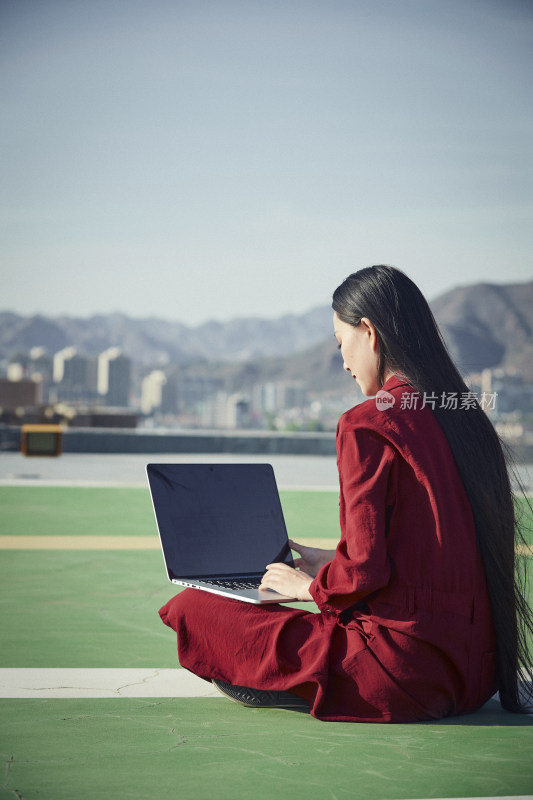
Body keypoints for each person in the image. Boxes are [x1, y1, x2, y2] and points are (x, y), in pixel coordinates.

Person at [159, 264, 533, 722]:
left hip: (402, 674)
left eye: (342, 344)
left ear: (369, 332)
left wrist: (309, 586)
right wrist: (332, 562)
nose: (343, 362)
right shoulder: (466, 419)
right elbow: (423, 558)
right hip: (476, 675)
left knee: (195, 607)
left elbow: (364, 576)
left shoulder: (368, 424)